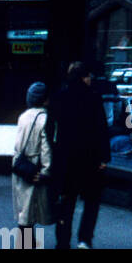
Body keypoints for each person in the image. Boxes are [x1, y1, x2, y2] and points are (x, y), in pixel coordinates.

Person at [49, 62, 110, 250]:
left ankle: (63, 240)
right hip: (90, 159)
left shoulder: (59, 98)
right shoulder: (93, 98)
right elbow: (101, 129)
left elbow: (50, 129)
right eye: (89, 76)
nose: (90, 79)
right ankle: (84, 239)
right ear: (83, 77)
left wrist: (55, 152)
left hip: (66, 160)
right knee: (91, 201)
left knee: (66, 202)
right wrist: (103, 157)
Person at [12, 82, 53, 242]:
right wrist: (46, 171)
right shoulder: (44, 118)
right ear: (44, 100)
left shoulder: (23, 116)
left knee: (24, 209)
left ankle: (28, 242)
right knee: (31, 209)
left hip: (21, 166)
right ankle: (26, 243)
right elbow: (46, 148)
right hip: (34, 167)